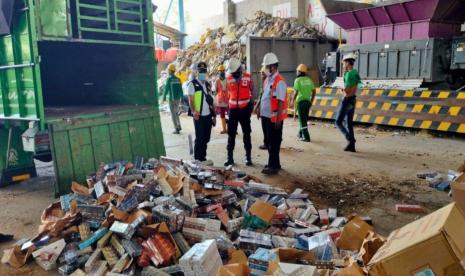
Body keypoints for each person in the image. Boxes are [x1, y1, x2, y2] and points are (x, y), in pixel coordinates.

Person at [256, 53, 288, 175]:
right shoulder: (268, 80)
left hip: (274, 117)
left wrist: (278, 119)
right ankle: (274, 163)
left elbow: (280, 101)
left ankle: (273, 166)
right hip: (266, 115)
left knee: (274, 142)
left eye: (266, 66)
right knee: (269, 141)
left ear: (273, 67)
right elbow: (264, 96)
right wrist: (259, 108)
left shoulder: (279, 81)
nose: (264, 69)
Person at [224, 58, 254, 167]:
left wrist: (251, 106)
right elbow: (227, 94)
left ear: (239, 69)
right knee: (231, 134)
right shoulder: (228, 79)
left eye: (234, 72)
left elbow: (252, 90)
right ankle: (230, 158)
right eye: (232, 72)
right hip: (233, 110)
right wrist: (227, 110)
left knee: (247, 134)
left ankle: (248, 157)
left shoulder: (248, 77)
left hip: (245, 109)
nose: (233, 74)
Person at [187, 62, 216, 164]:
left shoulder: (207, 84)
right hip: (198, 115)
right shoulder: (192, 84)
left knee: (206, 138)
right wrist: (194, 111)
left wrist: (214, 115)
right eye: (201, 71)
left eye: (204, 71)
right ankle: (197, 159)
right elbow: (191, 100)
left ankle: (203, 157)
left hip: (208, 115)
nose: (203, 73)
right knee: (200, 138)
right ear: (197, 72)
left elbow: (210, 99)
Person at [336, 53, 361, 152]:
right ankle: (352, 146)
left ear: (347, 63)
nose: (343, 64)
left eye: (344, 62)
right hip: (353, 99)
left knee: (338, 122)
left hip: (347, 99)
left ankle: (350, 139)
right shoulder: (355, 72)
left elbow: (347, 90)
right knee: (349, 123)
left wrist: (341, 89)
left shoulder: (349, 74)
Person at [291, 64, 315, 142]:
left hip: (300, 102)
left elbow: (296, 92)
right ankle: (300, 133)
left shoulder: (297, 80)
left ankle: (307, 137)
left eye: (297, 71)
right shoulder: (309, 80)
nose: (296, 72)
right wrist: (311, 101)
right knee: (304, 119)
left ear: (300, 72)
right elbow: (314, 91)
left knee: (302, 120)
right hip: (307, 102)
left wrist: (292, 100)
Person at [163, 63, 183, 134]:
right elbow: (181, 90)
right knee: (176, 113)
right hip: (178, 99)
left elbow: (166, 89)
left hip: (172, 99)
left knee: (173, 114)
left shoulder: (169, 79)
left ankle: (176, 129)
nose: (168, 71)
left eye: (168, 70)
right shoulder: (178, 79)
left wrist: (164, 97)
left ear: (170, 71)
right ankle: (179, 125)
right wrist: (182, 98)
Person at [254, 66, 269, 150]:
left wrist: (257, 108)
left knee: (267, 128)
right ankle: (266, 143)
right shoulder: (263, 84)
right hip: (264, 110)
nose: (261, 75)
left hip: (268, 111)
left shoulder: (269, 83)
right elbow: (260, 98)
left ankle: (268, 143)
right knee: (264, 127)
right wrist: (257, 108)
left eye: (263, 73)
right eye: (261, 73)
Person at [213, 64, 229, 134]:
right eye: (220, 71)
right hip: (220, 101)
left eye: (222, 71)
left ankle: (230, 128)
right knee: (222, 115)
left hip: (228, 100)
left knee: (230, 115)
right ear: (218, 72)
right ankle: (224, 129)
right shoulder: (217, 81)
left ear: (224, 71)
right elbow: (215, 91)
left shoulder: (228, 80)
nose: (221, 72)